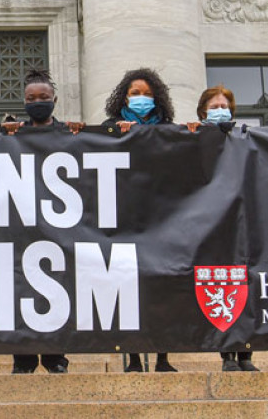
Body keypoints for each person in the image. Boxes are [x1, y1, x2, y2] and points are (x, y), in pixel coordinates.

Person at [103, 67, 177, 373]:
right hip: (125, 219)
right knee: (128, 289)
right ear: (124, 96)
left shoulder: (170, 128)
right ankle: (132, 356)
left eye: (147, 93)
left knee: (161, 290)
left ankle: (162, 356)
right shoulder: (110, 126)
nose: (142, 98)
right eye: (135, 93)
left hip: (162, 219)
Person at [1, 69, 73, 374]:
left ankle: (55, 358)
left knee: (58, 289)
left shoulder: (70, 134)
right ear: (24, 101)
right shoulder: (13, 135)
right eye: (31, 98)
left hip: (59, 227)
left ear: (54, 99)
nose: (38, 102)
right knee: (22, 292)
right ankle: (24, 359)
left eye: (43, 98)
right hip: (22, 227)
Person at [187, 86, 259, 372]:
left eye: (224, 105)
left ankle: (246, 354)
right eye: (214, 105)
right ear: (203, 111)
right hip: (210, 223)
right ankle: (227, 353)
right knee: (219, 284)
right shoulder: (193, 136)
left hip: (240, 220)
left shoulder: (243, 136)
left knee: (244, 285)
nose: (220, 109)